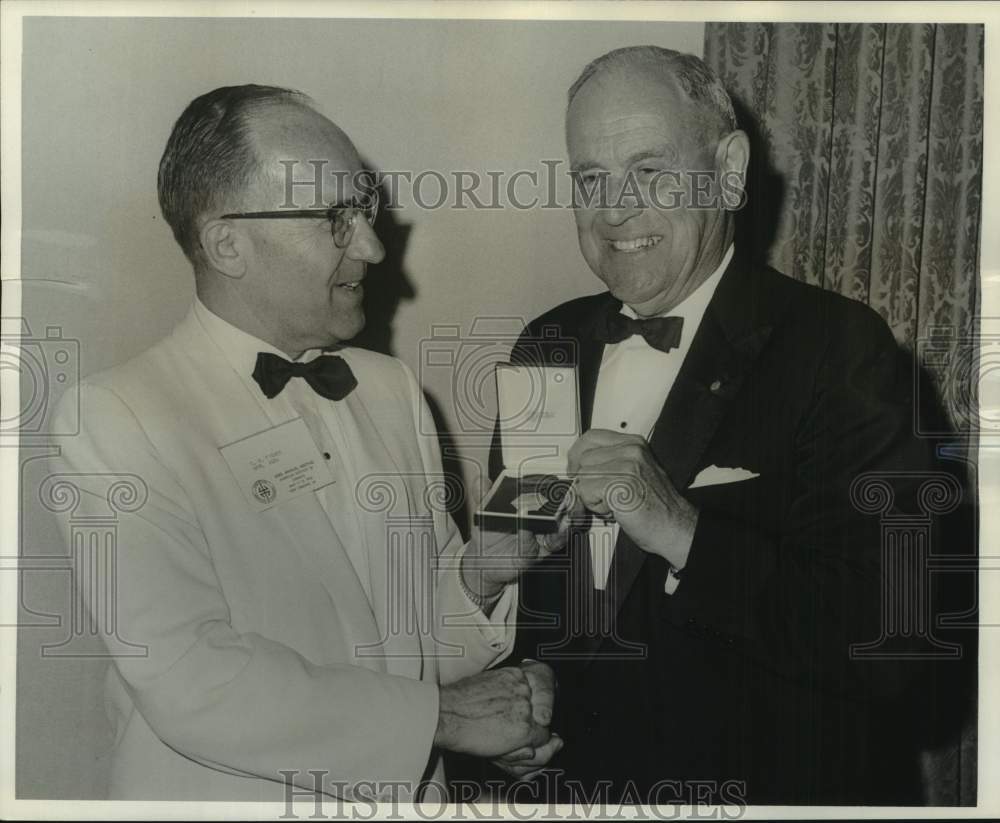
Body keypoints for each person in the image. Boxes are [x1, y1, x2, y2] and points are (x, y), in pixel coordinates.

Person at [49, 84, 559, 802]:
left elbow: (413, 650)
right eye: (335, 218)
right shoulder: (112, 418)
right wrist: (446, 718)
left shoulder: (392, 391)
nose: (375, 246)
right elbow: (194, 681)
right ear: (228, 242)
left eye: (367, 210)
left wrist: (481, 577)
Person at [487, 47, 937, 804]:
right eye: (590, 178)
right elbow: (528, 587)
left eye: (650, 171)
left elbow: (892, 647)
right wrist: (511, 708)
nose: (614, 209)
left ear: (729, 171)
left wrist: (680, 526)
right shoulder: (547, 341)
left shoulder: (838, 348)